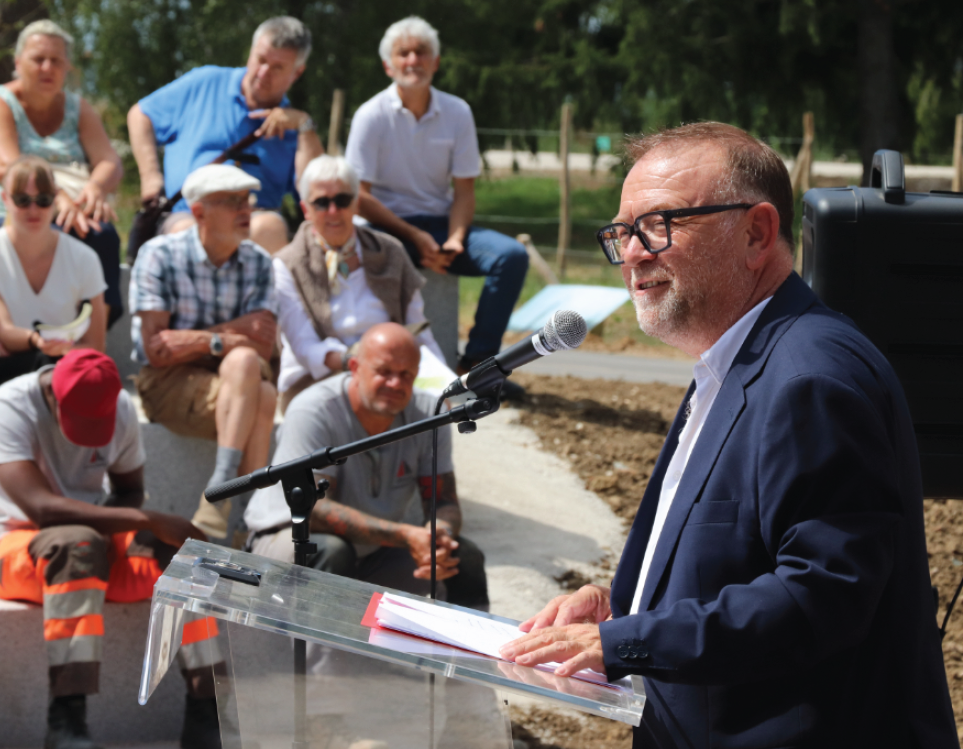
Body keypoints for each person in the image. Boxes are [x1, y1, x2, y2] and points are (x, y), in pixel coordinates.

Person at [499, 123, 958, 747]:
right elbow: (742, 563)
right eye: (622, 233)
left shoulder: (810, 379)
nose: (632, 254)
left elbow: (821, 597)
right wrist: (626, 607)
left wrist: (626, 641)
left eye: (658, 226)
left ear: (756, 233)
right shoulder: (736, 359)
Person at [0, 349, 222, 749]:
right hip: (18, 544)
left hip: (91, 542)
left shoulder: (118, 406)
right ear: (52, 395)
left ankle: (207, 714)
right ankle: (66, 722)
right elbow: (40, 508)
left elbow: (128, 490)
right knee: (77, 544)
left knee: (181, 557)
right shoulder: (11, 406)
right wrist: (147, 519)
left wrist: (125, 525)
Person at [344, 16, 529, 397]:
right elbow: (358, 196)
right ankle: (382, 365)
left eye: (421, 51)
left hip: (442, 224)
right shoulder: (370, 115)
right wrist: (414, 236)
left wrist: (456, 238)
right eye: (403, 53)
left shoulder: (458, 112)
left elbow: (464, 190)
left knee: (511, 256)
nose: (413, 60)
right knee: (369, 251)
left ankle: (478, 365)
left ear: (436, 61)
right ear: (388, 65)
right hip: (386, 228)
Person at [245, 323, 488, 609]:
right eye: (384, 371)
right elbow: (315, 511)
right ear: (355, 367)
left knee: (462, 558)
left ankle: (472, 640)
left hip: (374, 552)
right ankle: (316, 640)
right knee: (332, 552)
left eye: (406, 374)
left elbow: (444, 500)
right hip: (287, 540)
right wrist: (406, 535)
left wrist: (439, 538)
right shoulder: (314, 410)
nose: (395, 383)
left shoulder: (428, 414)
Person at [130, 163, 278, 541]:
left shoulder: (259, 262)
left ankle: (222, 488)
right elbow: (157, 350)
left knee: (249, 367)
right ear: (199, 213)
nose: (245, 209)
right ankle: (249, 519)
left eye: (247, 200)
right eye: (231, 201)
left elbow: (263, 345)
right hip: (167, 383)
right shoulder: (159, 254)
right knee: (260, 391)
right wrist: (226, 337)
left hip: (236, 380)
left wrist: (192, 341)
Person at [128, 16, 323, 254]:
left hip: (253, 222)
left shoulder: (296, 128)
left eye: (277, 67)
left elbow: (316, 189)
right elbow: (140, 115)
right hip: (189, 214)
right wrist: (150, 176)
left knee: (269, 229)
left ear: (297, 73)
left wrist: (304, 126)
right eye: (261, 60)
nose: (264, 73)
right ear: (251, 52)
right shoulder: (204, 82)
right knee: (186, 235)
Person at [275, 154, 450, 413]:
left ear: (356, 204)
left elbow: (417, 331)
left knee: (439, 407)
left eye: (342, 200)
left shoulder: (390, 252)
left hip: (391, 375)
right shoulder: (287, 264)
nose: (333, 211)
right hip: (317, 379)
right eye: (321, 203)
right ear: (305, 209)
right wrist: (365, 366)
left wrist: (444, 383)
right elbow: (305, 347)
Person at [0, 20, 125, 328]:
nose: (47, 68)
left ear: (67, 66)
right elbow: (11, 167)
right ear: (18, 63)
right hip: (20, 207)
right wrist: (56, 199)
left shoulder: (78, 108)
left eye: (56, 60)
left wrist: (95, 188)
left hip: (73, 208)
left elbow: (110, 160)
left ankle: (92, 337)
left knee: (103, 236)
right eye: (38, 59)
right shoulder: (3, 104)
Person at [0, 156, 106, 384]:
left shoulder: (84, 258)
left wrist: (59, 350)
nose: (33, 209)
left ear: (56, 199)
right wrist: (38, 342)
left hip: (63, 371)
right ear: (5, 199)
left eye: (43, 200)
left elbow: (95, 345)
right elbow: (5, 332)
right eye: (22, 200)